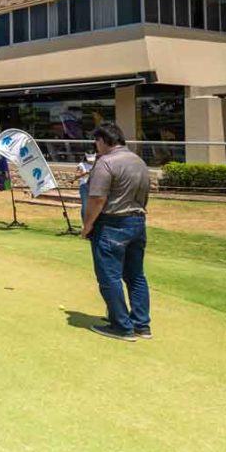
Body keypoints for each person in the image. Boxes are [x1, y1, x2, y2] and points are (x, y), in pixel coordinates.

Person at [81, 122, 151, 342]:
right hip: (137, 221)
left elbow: (97, 198)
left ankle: (122, 326)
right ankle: (141, 324)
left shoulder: (106, 163)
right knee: (135, 275)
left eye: (97, 141)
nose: (96, 145)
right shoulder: (138, 161)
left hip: (111, 223)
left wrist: (87, 225)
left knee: (109, 277)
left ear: (103, 140)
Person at [74, 152, 96, 222]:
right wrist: (85, 173)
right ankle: (85, 222)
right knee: (85, 205)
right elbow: (76, 176)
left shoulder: (97, 164)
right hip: (84, 185)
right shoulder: (81, 165)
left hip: (95, 186)